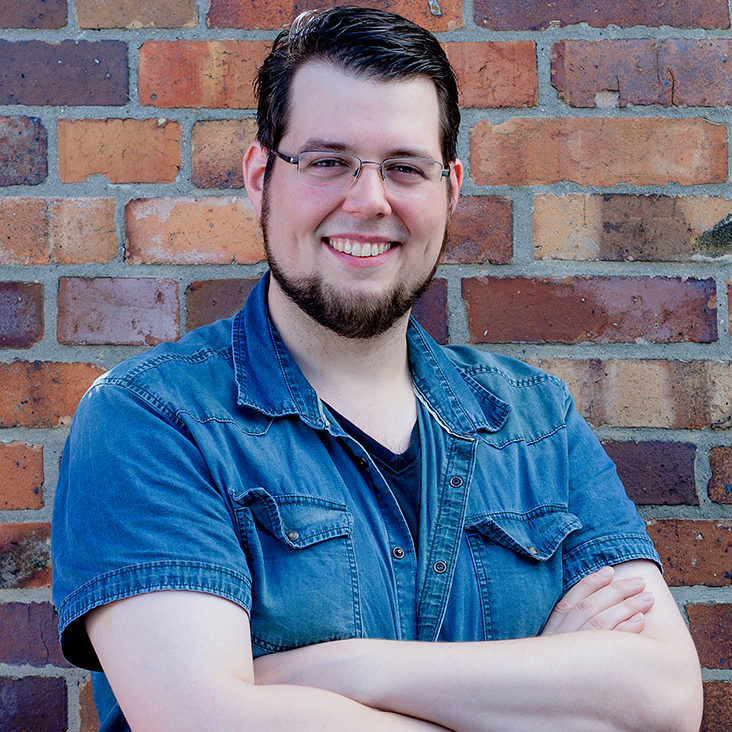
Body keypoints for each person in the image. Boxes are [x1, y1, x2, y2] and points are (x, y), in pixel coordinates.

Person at [52, 6, 702, 730]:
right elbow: (202, 721)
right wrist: (545, 688)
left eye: (404, 168)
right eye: (328, 162)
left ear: (450, 189)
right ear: (261, 177)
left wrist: (344, 669)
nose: (369, 201)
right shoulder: (153, 420)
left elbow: (668, 701)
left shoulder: (535, 421)